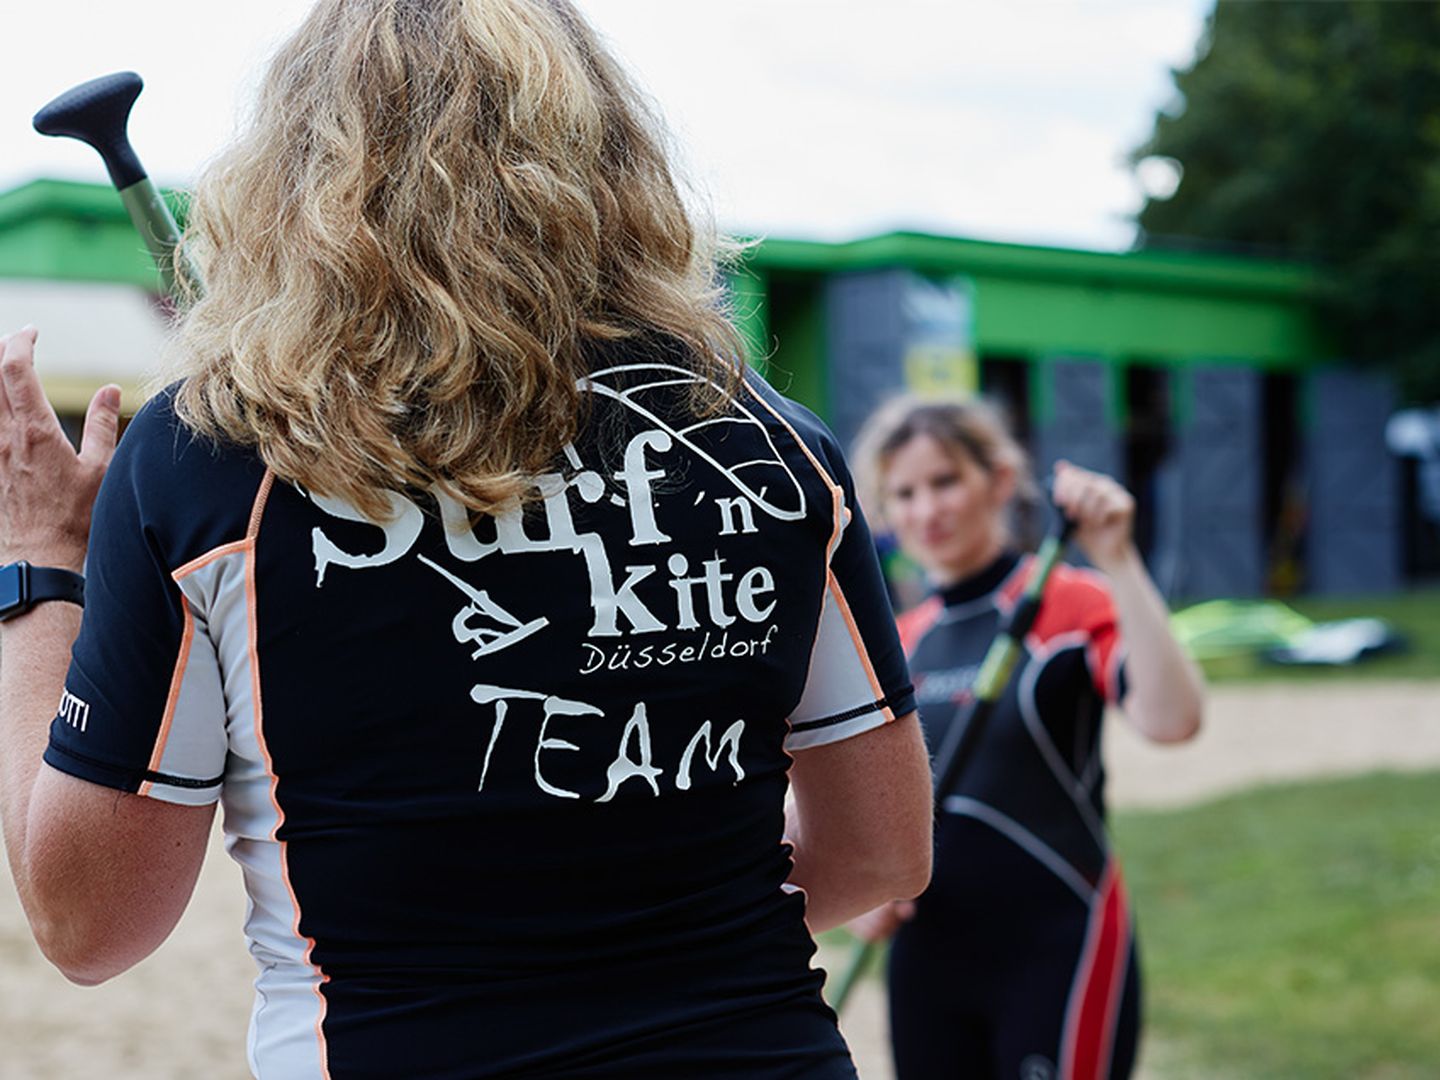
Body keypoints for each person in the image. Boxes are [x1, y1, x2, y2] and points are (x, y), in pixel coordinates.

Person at [0, 3, 933, 1077]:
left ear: (294, 176)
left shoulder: (208, 454)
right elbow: (883, 851)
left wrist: (41, 568)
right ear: (611, 154)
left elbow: (89, 926)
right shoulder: (772, 442)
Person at [848, 396, 1203, 1080]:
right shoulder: (897, 642)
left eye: (946, 480)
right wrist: (870, 889)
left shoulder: (1073, 602)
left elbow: (1172, 720)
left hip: (1057, 942)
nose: (928, 510)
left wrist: (1120, 561)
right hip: (928, 959)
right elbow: (867, 808)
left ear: (1000, 481)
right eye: (905, 493)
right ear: (885, 513)